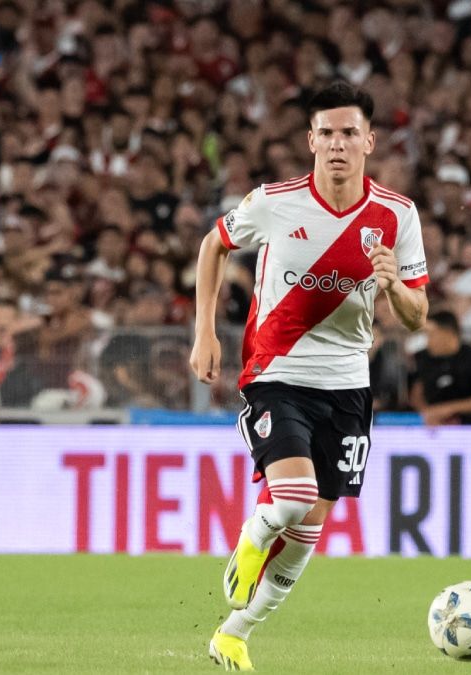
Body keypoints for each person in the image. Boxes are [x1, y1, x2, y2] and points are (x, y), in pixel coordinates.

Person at [189, 81, 428, 670]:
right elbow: (213, 245)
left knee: (309, 528)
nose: (338, 144)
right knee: (293, 498)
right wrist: (204, 332)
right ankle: (253, 536)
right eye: (327, 133)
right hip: (277, 373)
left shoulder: (397, 215)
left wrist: (394, 284)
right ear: (311, 141)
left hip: (348, 386)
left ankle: (235, 633)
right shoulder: (274, 202)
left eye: (350, 133)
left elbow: (417, 316)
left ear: (370, 141)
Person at [410, 311, 471, 425]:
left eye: (431, 335)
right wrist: (429, 413)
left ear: (448, 334)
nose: (428, 341)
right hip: (434, 427)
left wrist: (448, 410)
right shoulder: (422, 358)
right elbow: (416, 395)